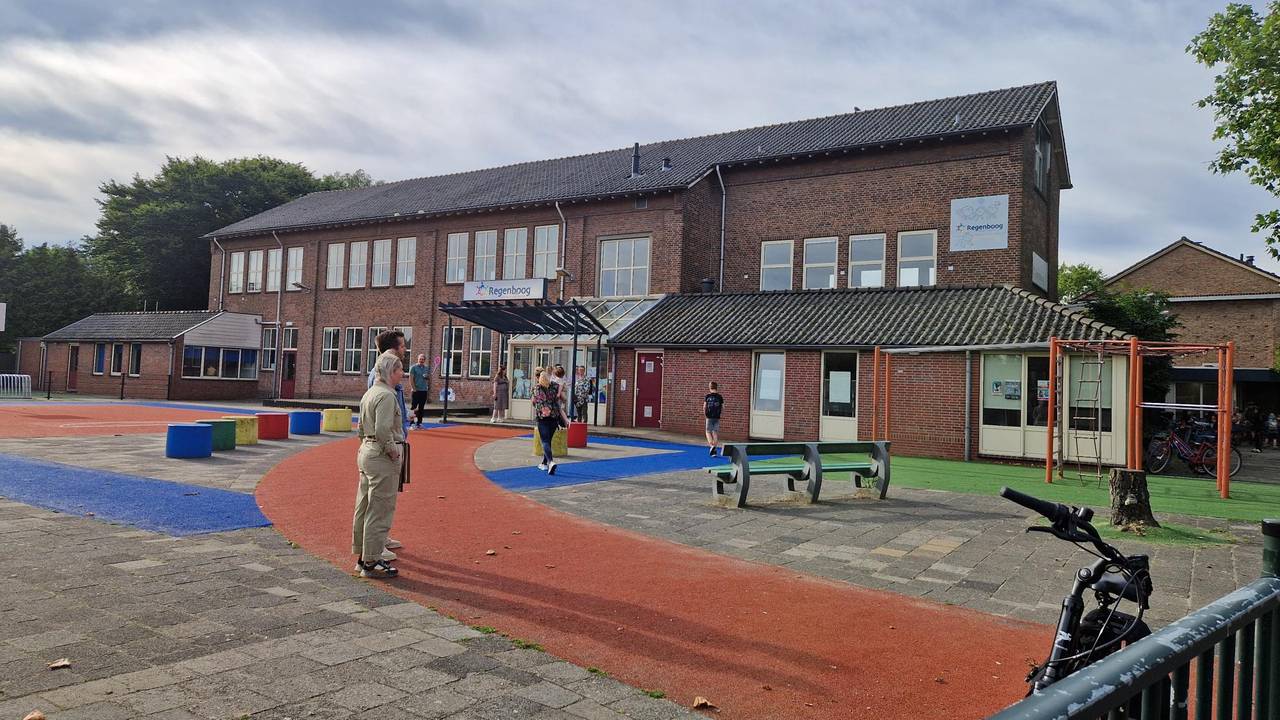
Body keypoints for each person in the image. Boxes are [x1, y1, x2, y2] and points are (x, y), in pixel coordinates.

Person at [353, 350, 405, 579]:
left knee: (363, 506)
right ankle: (372, 560)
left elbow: (361, 428)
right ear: (390, 372)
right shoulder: (387, 396)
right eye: (400, 369)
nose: (402, 374)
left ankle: (362, 556)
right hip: (381, 455)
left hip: (366, 450)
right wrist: (393, 451)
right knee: (380, 507)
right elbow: (384, 430)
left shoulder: (370, 393)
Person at [365, 330, 408, 554]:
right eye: (402, 347)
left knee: (386, 497)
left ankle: (381, 537)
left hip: (390, 442)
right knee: (380, 499)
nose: (405, 350)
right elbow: (381, 425)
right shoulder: (381, 382)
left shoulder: (384, 379)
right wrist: (392, 449)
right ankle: (375, 546)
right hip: (384, 448)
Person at [531, 370, 564, 474]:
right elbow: (560, 395)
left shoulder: (536, 388)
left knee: (545, 441)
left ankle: (550, 462)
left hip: (543, 417)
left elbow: (534, 401)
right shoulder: (554, 386)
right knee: (548, 440)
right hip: (554, 416)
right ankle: (544, 463)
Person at [409, 354, 430, 429]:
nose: (421, 360)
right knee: (413, 407)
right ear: (418, 359)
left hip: (424, 390)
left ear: (424, 360)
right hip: (416, 390)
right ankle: (411, 423)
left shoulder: (426, 368)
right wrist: (413, 388)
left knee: (421, 407)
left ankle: (419, 423)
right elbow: (411, 378)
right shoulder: (413, 368)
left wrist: (427, 377)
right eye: (420, 359)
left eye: (423, 359)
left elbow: (428, 378)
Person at [704, 381, 724, 456]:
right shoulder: (720, 396)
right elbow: (723, 407)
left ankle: (712, 446)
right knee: (715, 432)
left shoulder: (707, 396)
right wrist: (720, 414)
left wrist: (705, 414)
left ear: (710, 387)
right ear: (716, 387)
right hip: (717, 417)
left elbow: (704, 407)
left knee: (708, 431)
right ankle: (714, 450)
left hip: (709, 416)